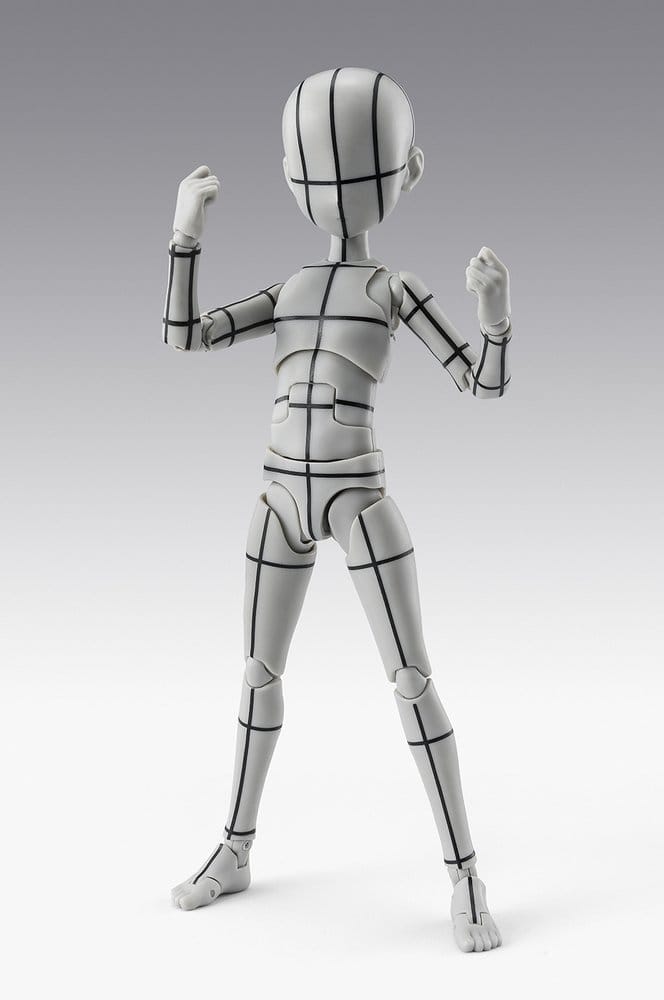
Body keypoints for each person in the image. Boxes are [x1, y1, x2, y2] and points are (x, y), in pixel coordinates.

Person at [163, 67, 511, 953]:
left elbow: (481, 382)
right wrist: (185, 235)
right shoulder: (289, 288)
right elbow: (185, 336)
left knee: (411, 679)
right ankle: (235, 847)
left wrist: (495, 317)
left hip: (357, 492)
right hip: (278, 492)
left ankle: (465, 873)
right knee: (257, 675)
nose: (334, 177)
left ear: (409, 171)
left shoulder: (395, 289)